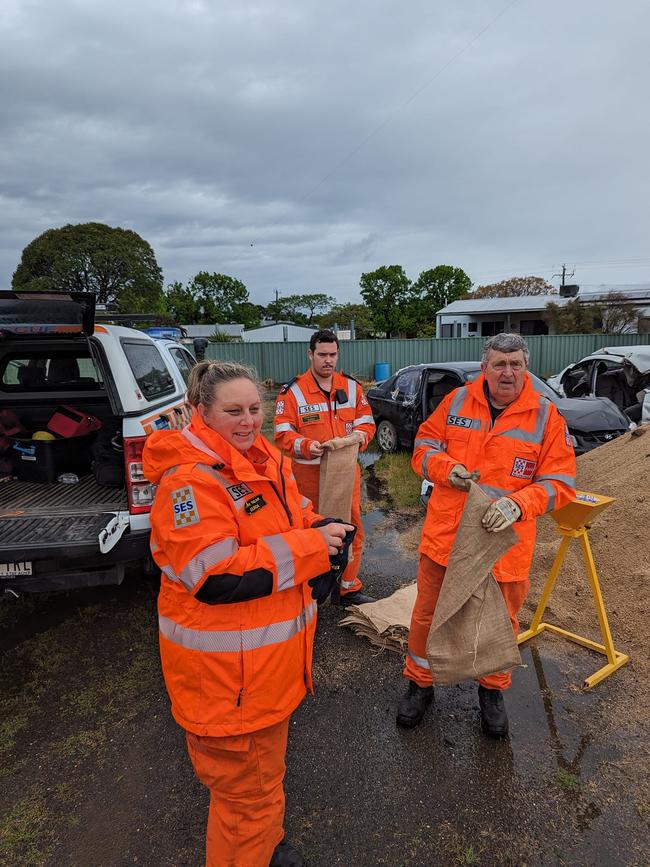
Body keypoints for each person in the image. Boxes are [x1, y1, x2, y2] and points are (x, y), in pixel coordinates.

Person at [143, 360, 354, 867]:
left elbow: (292, 514)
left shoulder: (263, 459)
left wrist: (321, 524)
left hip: (263, 678)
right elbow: (215, 576)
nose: (247, 420)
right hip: (228, 685)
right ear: (202, 413)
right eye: (232, 411)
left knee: (260, 785)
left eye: (255, 409)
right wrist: (310, 548)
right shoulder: (189, 484)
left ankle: (268, 845)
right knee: (246, 801)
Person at [397, 333, 576, 736]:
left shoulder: (546, 416)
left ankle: (491, 693)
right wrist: (446, 469)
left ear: (525, 368)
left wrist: (519, 503)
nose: (507, 372)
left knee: (500, 620)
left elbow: (561, 482)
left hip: (503, 544)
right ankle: (419, 684)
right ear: (485, 367)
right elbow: (423, 448)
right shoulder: (456, 401)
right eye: (499, 364)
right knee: (427, 613)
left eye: (515, 364)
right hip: (447, 535)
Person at [273, 329, 376, 605]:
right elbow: (282, 434)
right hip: (308, 476)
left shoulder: (352, 388)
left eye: (332, 355)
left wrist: (359, 437)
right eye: (322, 355)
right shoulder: (292, 392)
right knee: (311, 534)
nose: (328, 361)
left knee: (351, 529)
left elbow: (367, 422)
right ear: (310, 354)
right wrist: (308, 446)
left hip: (345, 474)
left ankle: (348, 587)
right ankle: (311, 593)